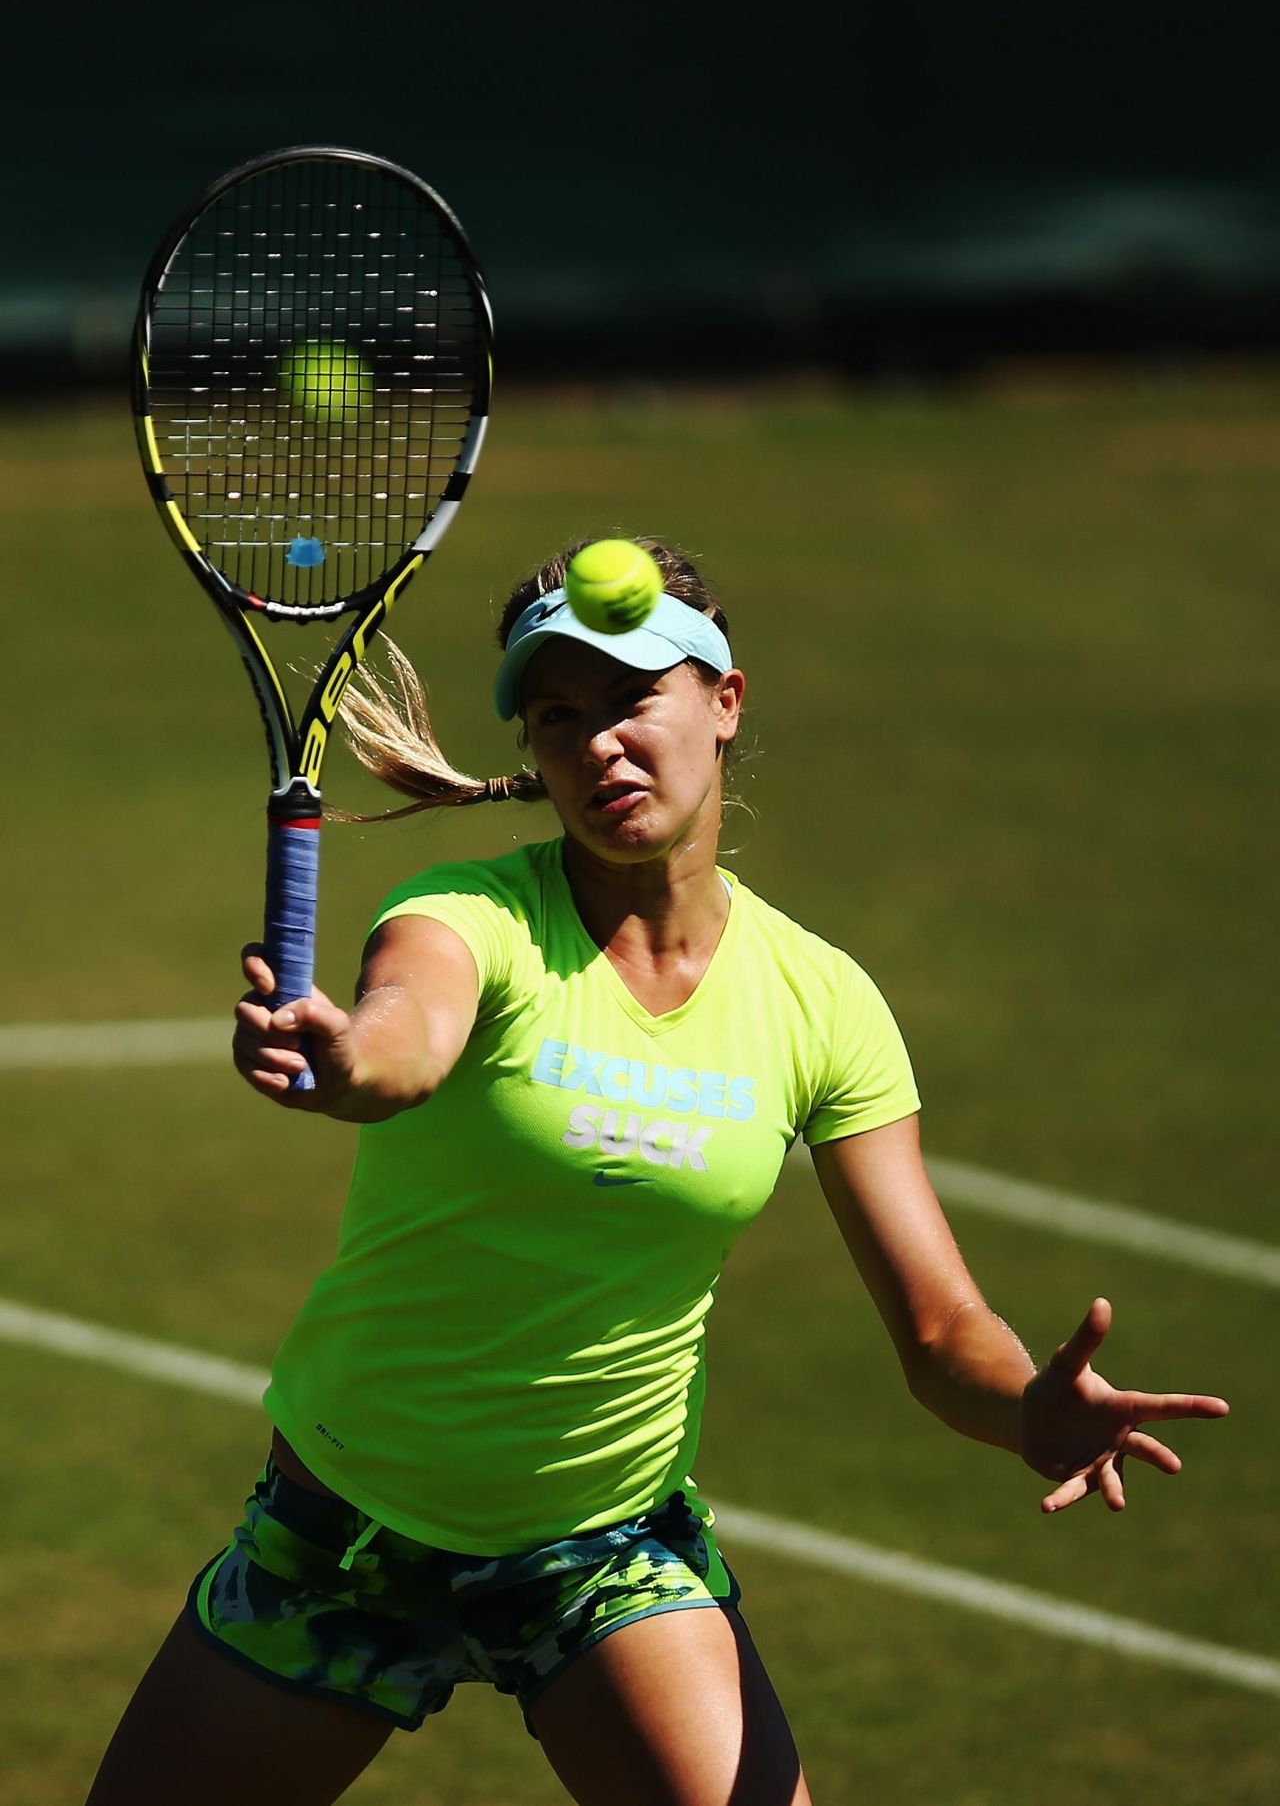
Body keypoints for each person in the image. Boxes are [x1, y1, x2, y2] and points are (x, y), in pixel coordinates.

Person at [87, 538, 1229, 1806]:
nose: (597, 745)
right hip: (348, 1534)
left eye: (630, 697)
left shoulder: (819, 1000)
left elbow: (938, 1321)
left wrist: (1026, 1404)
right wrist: (348, 1059)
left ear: (724, 701)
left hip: (601, 1546)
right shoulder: (467, 917)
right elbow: (405, 1035)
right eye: (557, 715)